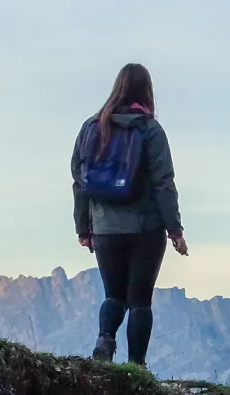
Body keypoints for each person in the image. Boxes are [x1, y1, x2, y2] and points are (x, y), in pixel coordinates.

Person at [71, 63, 188, 366]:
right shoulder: (150, 130)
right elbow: (164, 182)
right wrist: (175, 230)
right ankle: (137, 366)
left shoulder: (91, 127)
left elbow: (79, 180)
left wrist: (84, 228)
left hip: (105, 229)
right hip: (145, 229)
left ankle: (104, 342)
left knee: (113, 295)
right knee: (139, 301)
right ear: (147, 92)